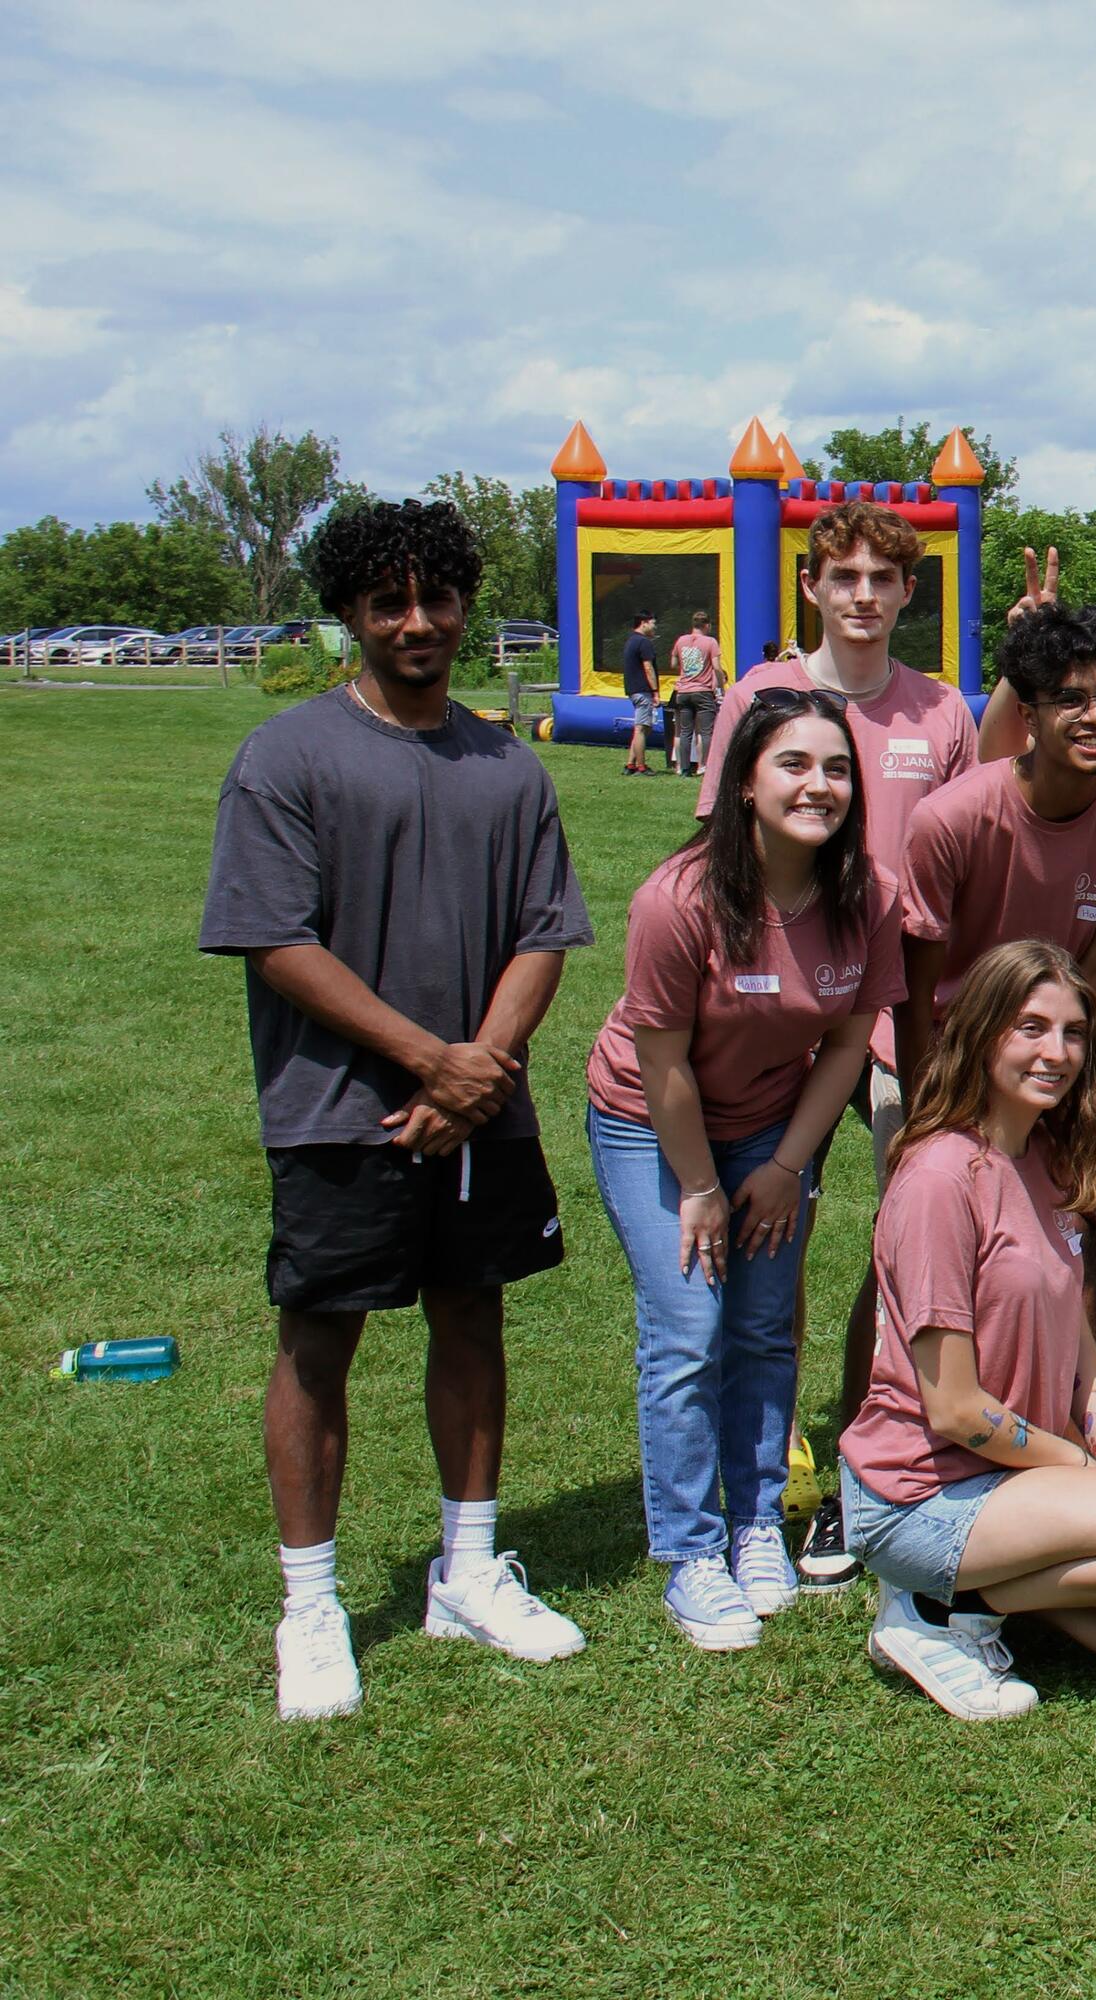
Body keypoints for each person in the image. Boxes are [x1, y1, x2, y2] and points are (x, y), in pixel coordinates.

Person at [201, 498, 597, 1722]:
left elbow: (545, 931)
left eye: (436, 596)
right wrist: (434, 1061)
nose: (417, 621)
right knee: (320, 1340)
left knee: (471, 1318)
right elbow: (274, 938)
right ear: (352, 612)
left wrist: (480, 1067)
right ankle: (310, 1604)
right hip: (340, 1111)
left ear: (466, 599)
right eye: (389, 601)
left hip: (483, 1111)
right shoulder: (289, 755)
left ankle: (469, 1570)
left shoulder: (508, 762)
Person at [839, 941, 1096, 1717]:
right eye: (1031, 1028)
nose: (1055, 1053)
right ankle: (931, 1606)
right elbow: (955, 1409)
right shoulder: (937, 1178)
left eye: (1072, 1034)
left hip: (1022, 1482)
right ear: (983, 1030)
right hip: (926, 1492)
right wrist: (1079, 1473)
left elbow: (1082, 1357)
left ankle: (977, 1601)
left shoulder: (1047, 1158)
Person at [690, 499, 980, 1590]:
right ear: (810, 584)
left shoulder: (941, 710)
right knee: (777, 1237)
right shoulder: (761, 697)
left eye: (884, 577)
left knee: (913, 1220)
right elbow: (717, 845)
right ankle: (783, 1469)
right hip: (786, 1012)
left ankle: (880, 1440)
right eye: (843, 574)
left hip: (906, 1004)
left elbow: (953, 858)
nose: (864, 593)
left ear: (911, 592)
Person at [584, 689, 902, 1650]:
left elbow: (849, 1048)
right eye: (795, 765)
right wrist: (700, 1190)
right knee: (688, 1330)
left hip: (772, 1128)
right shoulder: (677, 900)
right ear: (745, 783)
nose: (820, 785)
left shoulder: (868, 898)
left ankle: (757, 1523)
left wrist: (785, 1167)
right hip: (653, 1125)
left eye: (837, 767)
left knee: (764, 1328)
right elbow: (662, 1061)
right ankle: (689, 1553)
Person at [898, 601, 1096, 1355]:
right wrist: (931, 1112)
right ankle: (881, 1449)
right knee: (925, 1252)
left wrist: (1077, 1099)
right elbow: (917, 989)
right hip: (945, 1051)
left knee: (1062, 1247)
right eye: (1072, 700)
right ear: (1028, 715)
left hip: (1056, 1054)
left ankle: (1062, 1430)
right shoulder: (950, 819)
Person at [667, 611, 726, 777]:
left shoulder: (681, 640)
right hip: (703, 690)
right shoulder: (710, 642)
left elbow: (673, 663)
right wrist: (721, 686)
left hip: (683, 691)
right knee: (705, 731)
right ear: (707, 625)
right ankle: (703, 765)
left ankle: (684, 768)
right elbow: (716, 667)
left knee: (685, 731)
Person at [619, 611, 661, 775]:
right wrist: (655, 691)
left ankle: (631, 764)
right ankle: (641, 767)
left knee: (643, 728)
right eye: (653, 623)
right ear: (644, 623)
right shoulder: (644, 643)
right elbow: (648, 667)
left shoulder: (631, 641)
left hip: (633, 690)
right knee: (641, 729)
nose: (654, 627)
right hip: (643, 690)